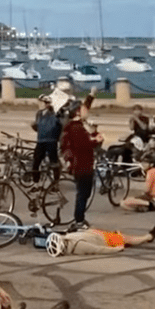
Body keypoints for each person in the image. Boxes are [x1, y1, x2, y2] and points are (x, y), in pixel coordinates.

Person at [60, 98, 96, 231]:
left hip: (81, 164)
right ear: (77, 112)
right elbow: (83, 146)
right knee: (83, 193)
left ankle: (80, 218)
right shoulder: (76, 128)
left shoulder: (75, 126)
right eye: (83, 109)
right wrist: (95, 140)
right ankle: (79, 220)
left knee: (83, 193)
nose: (87, 111)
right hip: (82, 164)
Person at [46, 222, 155, 257]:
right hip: (104, 240)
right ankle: (148, 237)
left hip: (94, 234)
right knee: (126, 238)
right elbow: (99, 249)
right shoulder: (79, 246)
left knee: (119, 234)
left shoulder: (67, 238)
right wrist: (117, 249)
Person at [31, 94, 62, 181]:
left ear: (47, 104)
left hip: (51, 141)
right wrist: (34, 126)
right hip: (40, 141)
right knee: (36, 162)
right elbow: (39, 128)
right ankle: (36, 182)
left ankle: (56, 182)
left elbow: (60, 126)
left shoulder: (55, 114)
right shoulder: (39, 114)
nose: (39, 104)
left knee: (54, 163)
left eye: (41, 103)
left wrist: (57, 137)